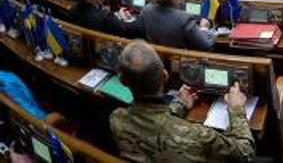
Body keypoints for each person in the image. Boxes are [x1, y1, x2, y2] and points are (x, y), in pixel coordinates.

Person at [109, 40, 255, 161]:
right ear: (165, 76)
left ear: (122, 81)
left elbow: (156, 125)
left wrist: (179, 104)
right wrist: (236, 110)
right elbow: (245, 153)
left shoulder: (117, 118)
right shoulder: (196, 134)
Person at [138, 0, 213, 51]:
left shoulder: (146, 11)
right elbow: (206, 45)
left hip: (153, 57)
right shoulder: (184, 19)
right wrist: (204, 28)